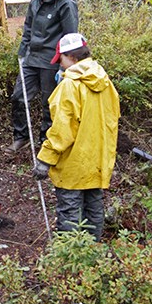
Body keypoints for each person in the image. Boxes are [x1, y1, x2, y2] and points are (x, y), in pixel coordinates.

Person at [32, 33, 119, 240]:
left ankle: (68, 263)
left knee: (70, 214)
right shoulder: (105, 81)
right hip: (98, 162)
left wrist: (45, 159)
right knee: (94, 211)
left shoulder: (70, 85)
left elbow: (63, 129)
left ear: (72, 57)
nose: (59, 66)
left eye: (60, 60)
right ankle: (91, 256)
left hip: (73, 165)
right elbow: (112, 118)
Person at [9, 0, 79, 152]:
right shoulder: (35, 0)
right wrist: (22, 53)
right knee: (18, 97)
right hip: (31, 58)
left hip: (52, 61)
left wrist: (64, 66)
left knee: (49, 104)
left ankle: (45, 143)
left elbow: (71, 37)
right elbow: (28, 28)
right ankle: (21, 137)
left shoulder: (66, 4)